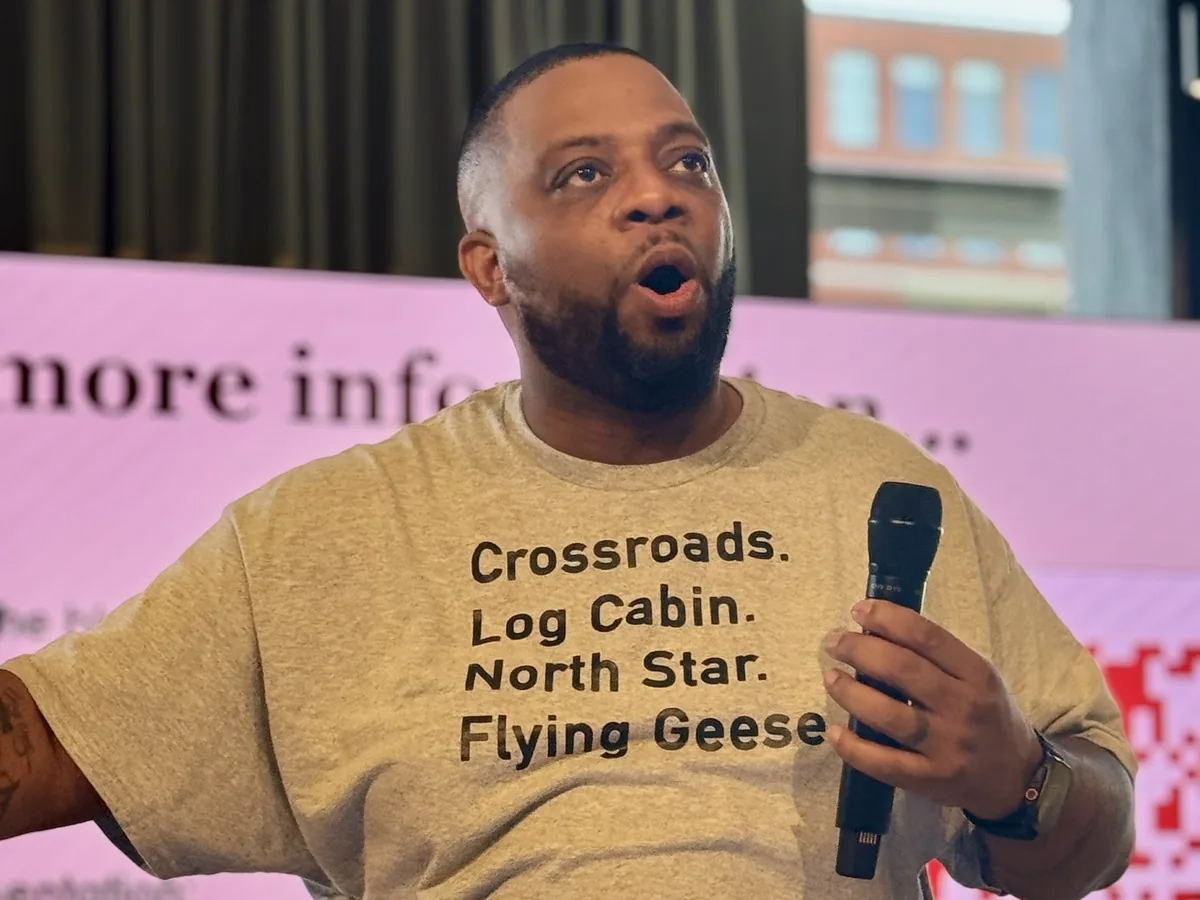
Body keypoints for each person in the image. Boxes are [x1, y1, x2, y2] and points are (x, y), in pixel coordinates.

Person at [0, 43, 1134, 900]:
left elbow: (1093, 835)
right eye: (585, 174)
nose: (658, 193)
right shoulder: (327, 533)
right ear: (489, 267)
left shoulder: (883, 492)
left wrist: (1019, 776)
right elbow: (49, 746)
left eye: (688, 160)